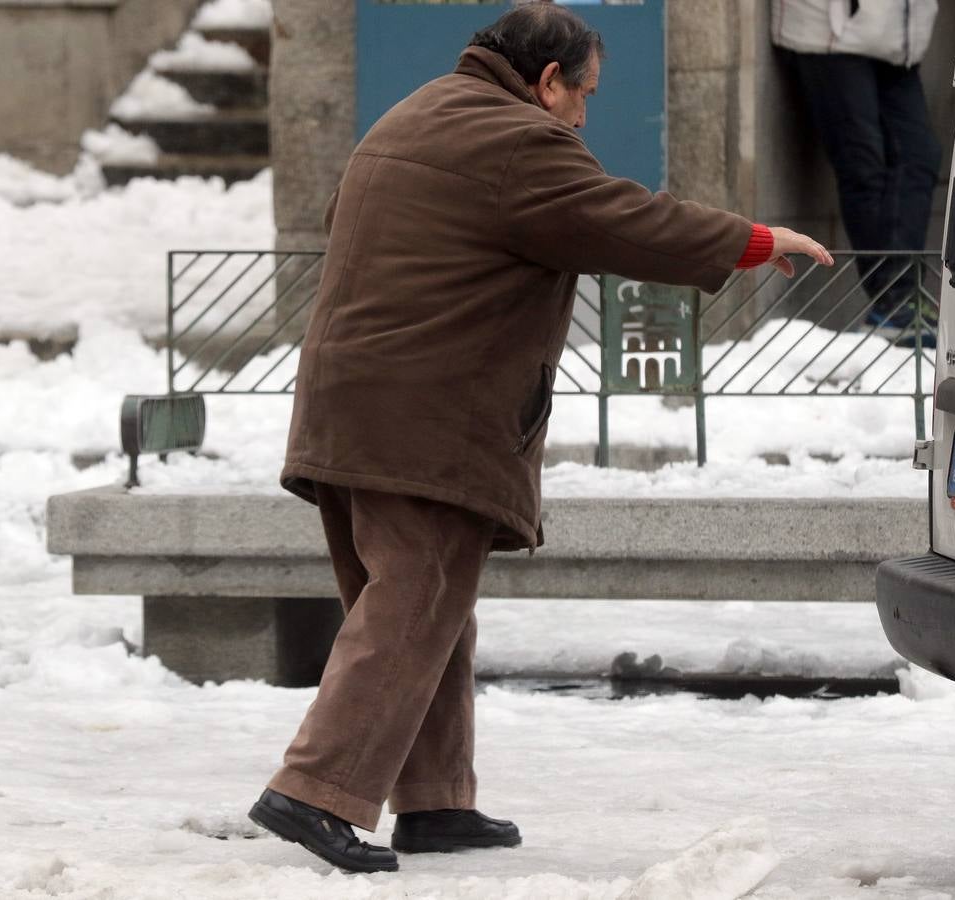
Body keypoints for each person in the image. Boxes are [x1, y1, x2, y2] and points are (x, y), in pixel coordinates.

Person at [249, 1, 832, 874]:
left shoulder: (414, 114)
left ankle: (435, 800)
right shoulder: (518, 141)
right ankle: (314, 790)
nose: (584, 116)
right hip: (424, 419)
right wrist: (749, 241)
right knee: (413, 603)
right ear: (547, 79)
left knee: (425, 606)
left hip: (351, 407)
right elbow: (623, 220)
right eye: (583, 95)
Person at [771, 0, 943, 343]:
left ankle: (900, 298)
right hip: (831, 31)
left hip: (898, 38)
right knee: (863, 166)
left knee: (920, 156)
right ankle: (894, 302)